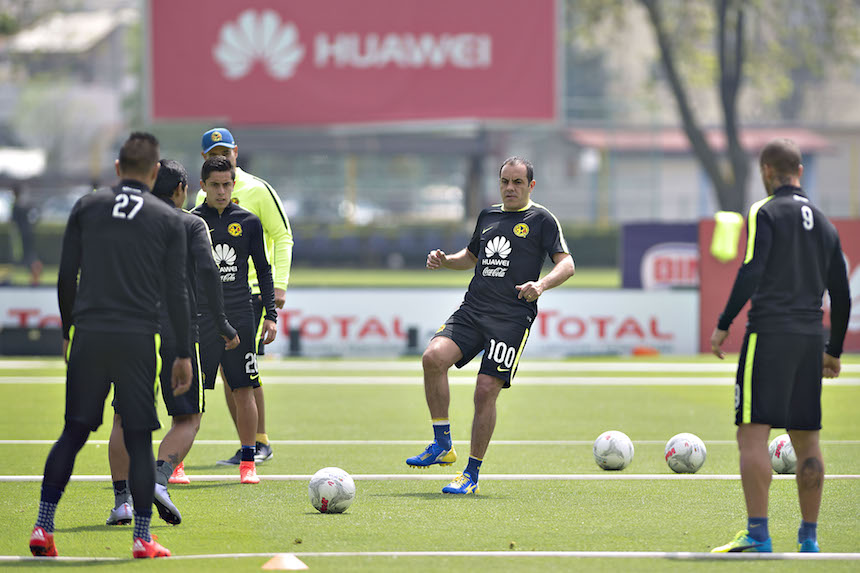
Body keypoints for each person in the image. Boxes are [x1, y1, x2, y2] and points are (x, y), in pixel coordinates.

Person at [31, 132, 192, 559]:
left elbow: (67, 277)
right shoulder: (168, 219)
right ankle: (142, 537)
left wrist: (69, 329)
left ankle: (43, 527)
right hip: (136, 338)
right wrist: (179, 353)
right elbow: (176, 293)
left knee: (74, 432)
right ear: (155, 172)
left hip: (89, 333)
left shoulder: (88, 207)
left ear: (117, 169)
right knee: (138, 439)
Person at [709, 138, 851, 553]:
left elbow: (753, 269)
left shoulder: (764, 210)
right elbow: (841, 294)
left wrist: (723, 323)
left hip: (770, 333)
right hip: (811, 338)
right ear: (800, 171)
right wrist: (834, 349)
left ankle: (758, 534)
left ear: (766, 171)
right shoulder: (825, 222)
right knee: (807, 440)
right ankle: (809, 538)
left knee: (752, 434)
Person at [405, 156, 575, 494]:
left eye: (517, 182)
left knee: (485, 390)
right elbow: (470, 258)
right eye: (505, 182)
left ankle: (471, 473)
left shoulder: (542, 220)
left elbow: (566, 264)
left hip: (511, 318)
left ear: (531, 185)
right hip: (473, 309)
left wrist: (540, 285)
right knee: (432, 358)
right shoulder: (488, 216)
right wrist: (445, 260)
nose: (510, 188)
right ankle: (442, 443)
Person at [105, 159, 239, 526]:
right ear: (182, 189)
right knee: (187, 418)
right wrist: (223, 323)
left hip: (128, 331)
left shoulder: (126, 224)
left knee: (122, 417)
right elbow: (209, 271)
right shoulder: (190, 222)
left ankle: (122, 503)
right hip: (178, 332)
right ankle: (160, 481)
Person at [196, 127, 293, 466]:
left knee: (246, 369)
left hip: (248, 294)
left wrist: (278, 287)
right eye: (211, 153)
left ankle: (259, 441)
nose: (220, 157)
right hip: (214, 298)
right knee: (227, 370)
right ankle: (247, 444)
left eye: (225, 150)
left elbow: (282, 237)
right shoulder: (202, 200)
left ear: (236, 151)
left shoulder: (258, 189)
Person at [11, 184, 43, 285]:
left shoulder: (17, 205)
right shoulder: (25, 204)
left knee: (28, 254)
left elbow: (13, 220)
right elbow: (35, 214)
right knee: (30, 254)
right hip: (28, 232)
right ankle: (35, 274)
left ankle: (35, 274)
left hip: (22, 234)